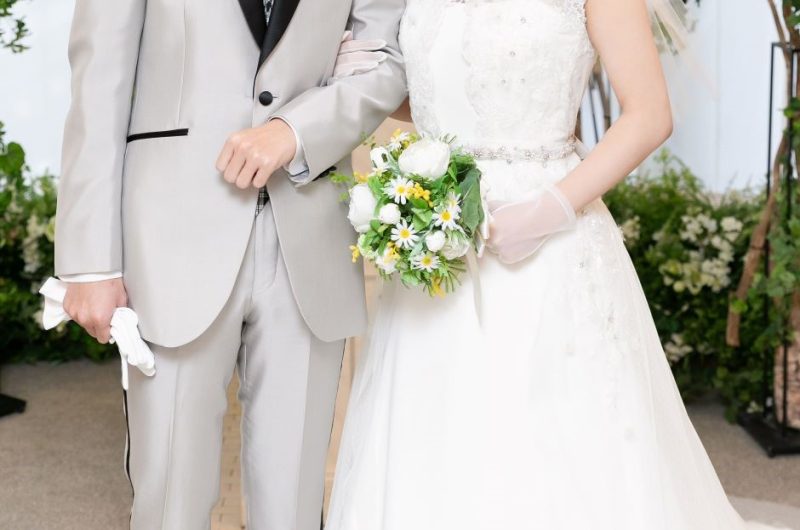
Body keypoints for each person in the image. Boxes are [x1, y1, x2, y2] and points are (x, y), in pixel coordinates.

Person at [326, 0, 787, 528]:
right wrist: (368, 81)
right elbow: (446, 88)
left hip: (549, 237)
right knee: (435, 434)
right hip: (439, 230)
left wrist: (549, 210)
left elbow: (650, 114)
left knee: (551, 435)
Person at [53, 0, 406, 528]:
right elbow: (98, 84)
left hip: (310, 230)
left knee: (292, 503)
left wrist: (296, 129)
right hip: (170, 238)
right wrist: (89, 264)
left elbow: (386, 60)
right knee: (169, 499)